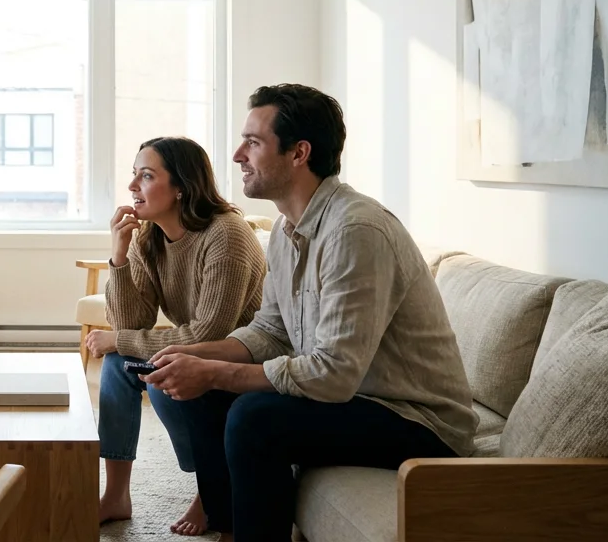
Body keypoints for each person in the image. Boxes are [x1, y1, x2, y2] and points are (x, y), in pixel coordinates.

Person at [142, 85, 476, 542]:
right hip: (357, 399)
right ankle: (230, 529)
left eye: (254, 142)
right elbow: (271, 331)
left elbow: (333, 373)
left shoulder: (355, 230)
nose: (238, 154)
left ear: (299, 153)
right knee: (204, 394)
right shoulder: (287, 229)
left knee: (255, 417)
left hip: (417, 421)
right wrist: (192, 355)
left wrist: (215, 372)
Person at [83, 136, 267, 536]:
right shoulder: (149, 237)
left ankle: (209, 489)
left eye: (146, 176)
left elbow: (209, 333)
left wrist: (120, 341)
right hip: (196, 354)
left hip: (240, 362)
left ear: (182, 185)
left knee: (147, 367)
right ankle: (116, 494)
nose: (133, 186)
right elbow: (131, 321)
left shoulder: (227, 235)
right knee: (117, 367)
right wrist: (118, 256)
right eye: (134, 175)